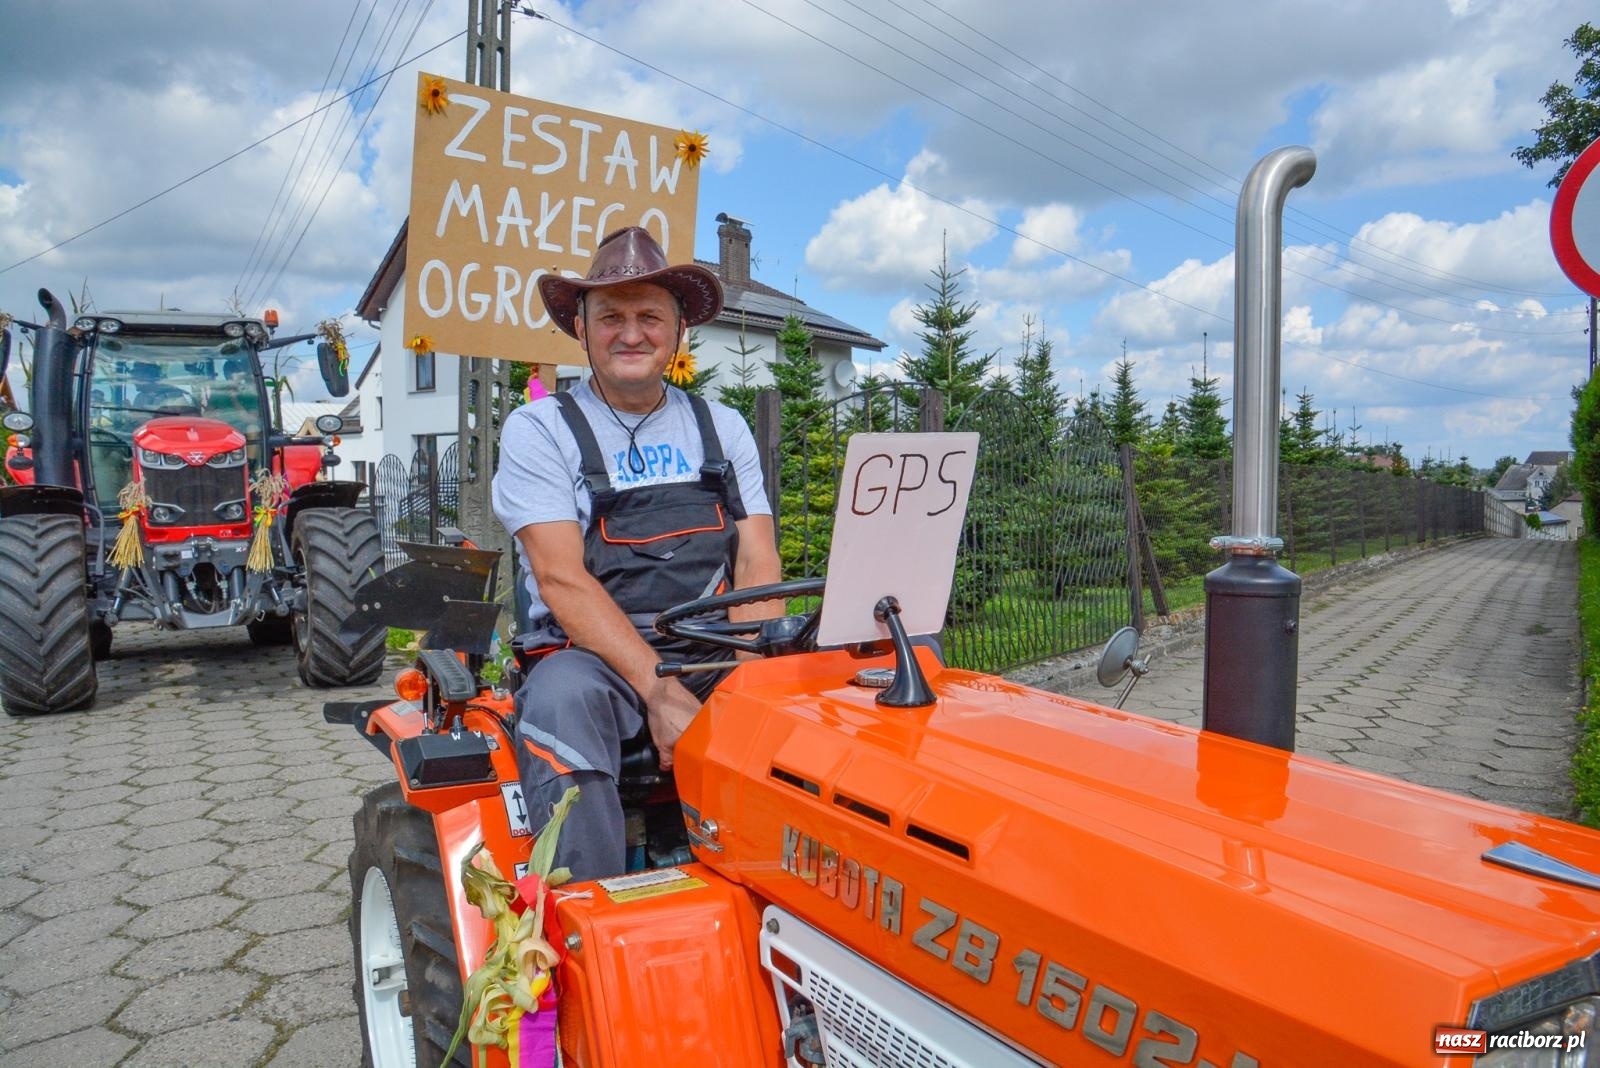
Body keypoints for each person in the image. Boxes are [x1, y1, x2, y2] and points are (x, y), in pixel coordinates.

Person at [492, 227, 782, 882]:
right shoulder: (541, 429)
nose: (631, 334)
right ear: (581, 328)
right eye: (610, 317)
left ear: (678, 331)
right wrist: (660, 691)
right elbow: (560, 579)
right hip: (595, 663)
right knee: (562, 700)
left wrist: (747, 685)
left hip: (713, 652)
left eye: (649, 316)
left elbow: (757, 563)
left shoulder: (721, 426)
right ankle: (586, 911)